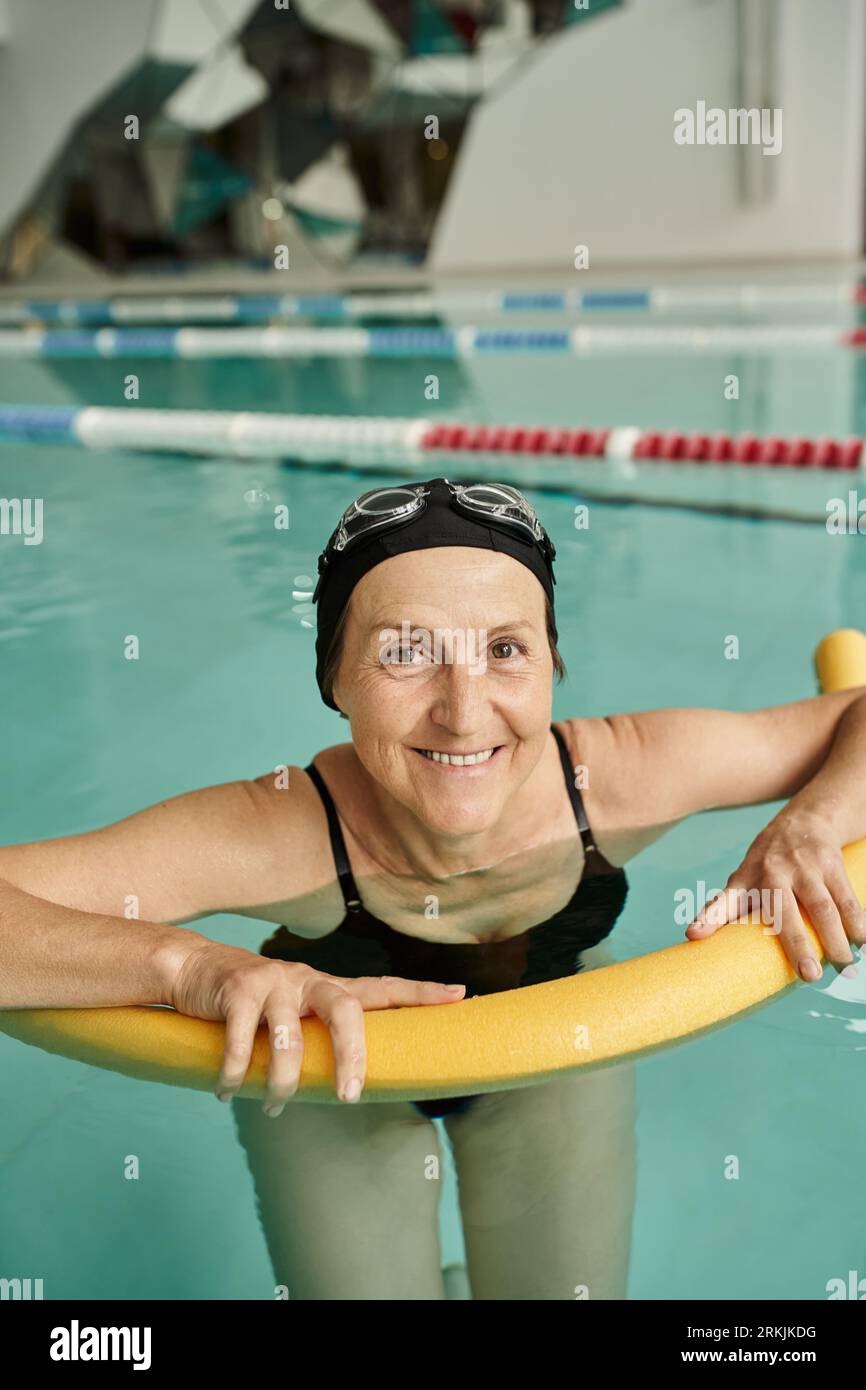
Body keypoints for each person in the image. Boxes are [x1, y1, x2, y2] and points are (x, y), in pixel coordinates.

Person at [1, 477, 864, 1300]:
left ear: (553, 666)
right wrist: (189, 967)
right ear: (334, 679)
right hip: (334, 1076)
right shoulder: (278, 831)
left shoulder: (620, 777)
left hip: (549, 1044)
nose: (463, 710)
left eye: (505, 651)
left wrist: (812, 823)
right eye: (405, 653)